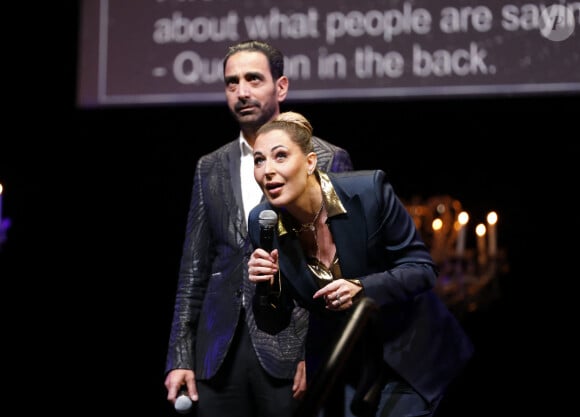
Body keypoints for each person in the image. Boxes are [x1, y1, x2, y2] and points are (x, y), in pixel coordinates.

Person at [163, 41, 353, 417]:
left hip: (291, 349)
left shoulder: (326, 158)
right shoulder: (210, 167)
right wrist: (180, 355)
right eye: (232, 83)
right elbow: (194, 267)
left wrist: (315, 350)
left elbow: (339, 263)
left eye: (253, 79)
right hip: (218, 352)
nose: (242, 91)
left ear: (280, 87)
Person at [247, 111, 474, 417]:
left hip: (410, 350)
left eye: (280, 156)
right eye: (259, 160)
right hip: (346, 364)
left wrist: (362, 288)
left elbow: (422, 269)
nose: (267, 171)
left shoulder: (368, 191)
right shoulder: (263, 222)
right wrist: (267, 285)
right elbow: (274, 321)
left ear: (310, 162)